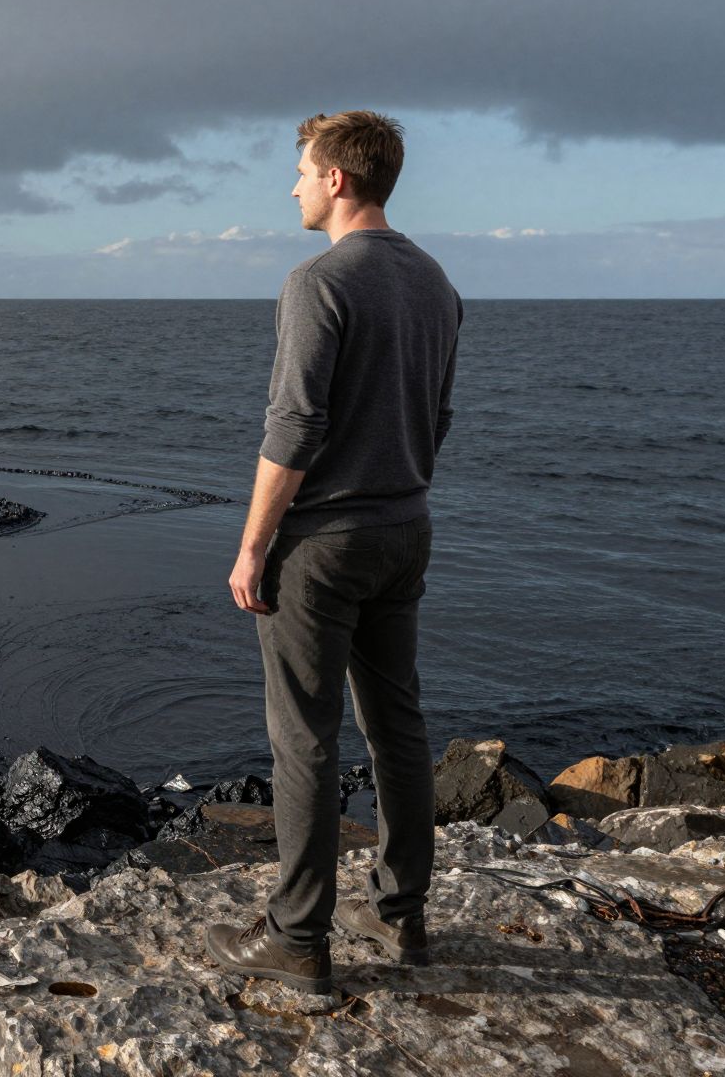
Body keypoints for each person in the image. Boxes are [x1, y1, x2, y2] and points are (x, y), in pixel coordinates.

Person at [203, 110, 462, 995]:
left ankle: (300, 940)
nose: (294, 186)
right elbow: (438, 420)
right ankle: (405, 917)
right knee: (399, 726)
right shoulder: (435, 283)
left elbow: (294, 427)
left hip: (324, 542)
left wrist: (252, 546)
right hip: (406, 528)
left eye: (302, 171)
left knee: (305, 740)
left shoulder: (318, 281)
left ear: (338, 180)